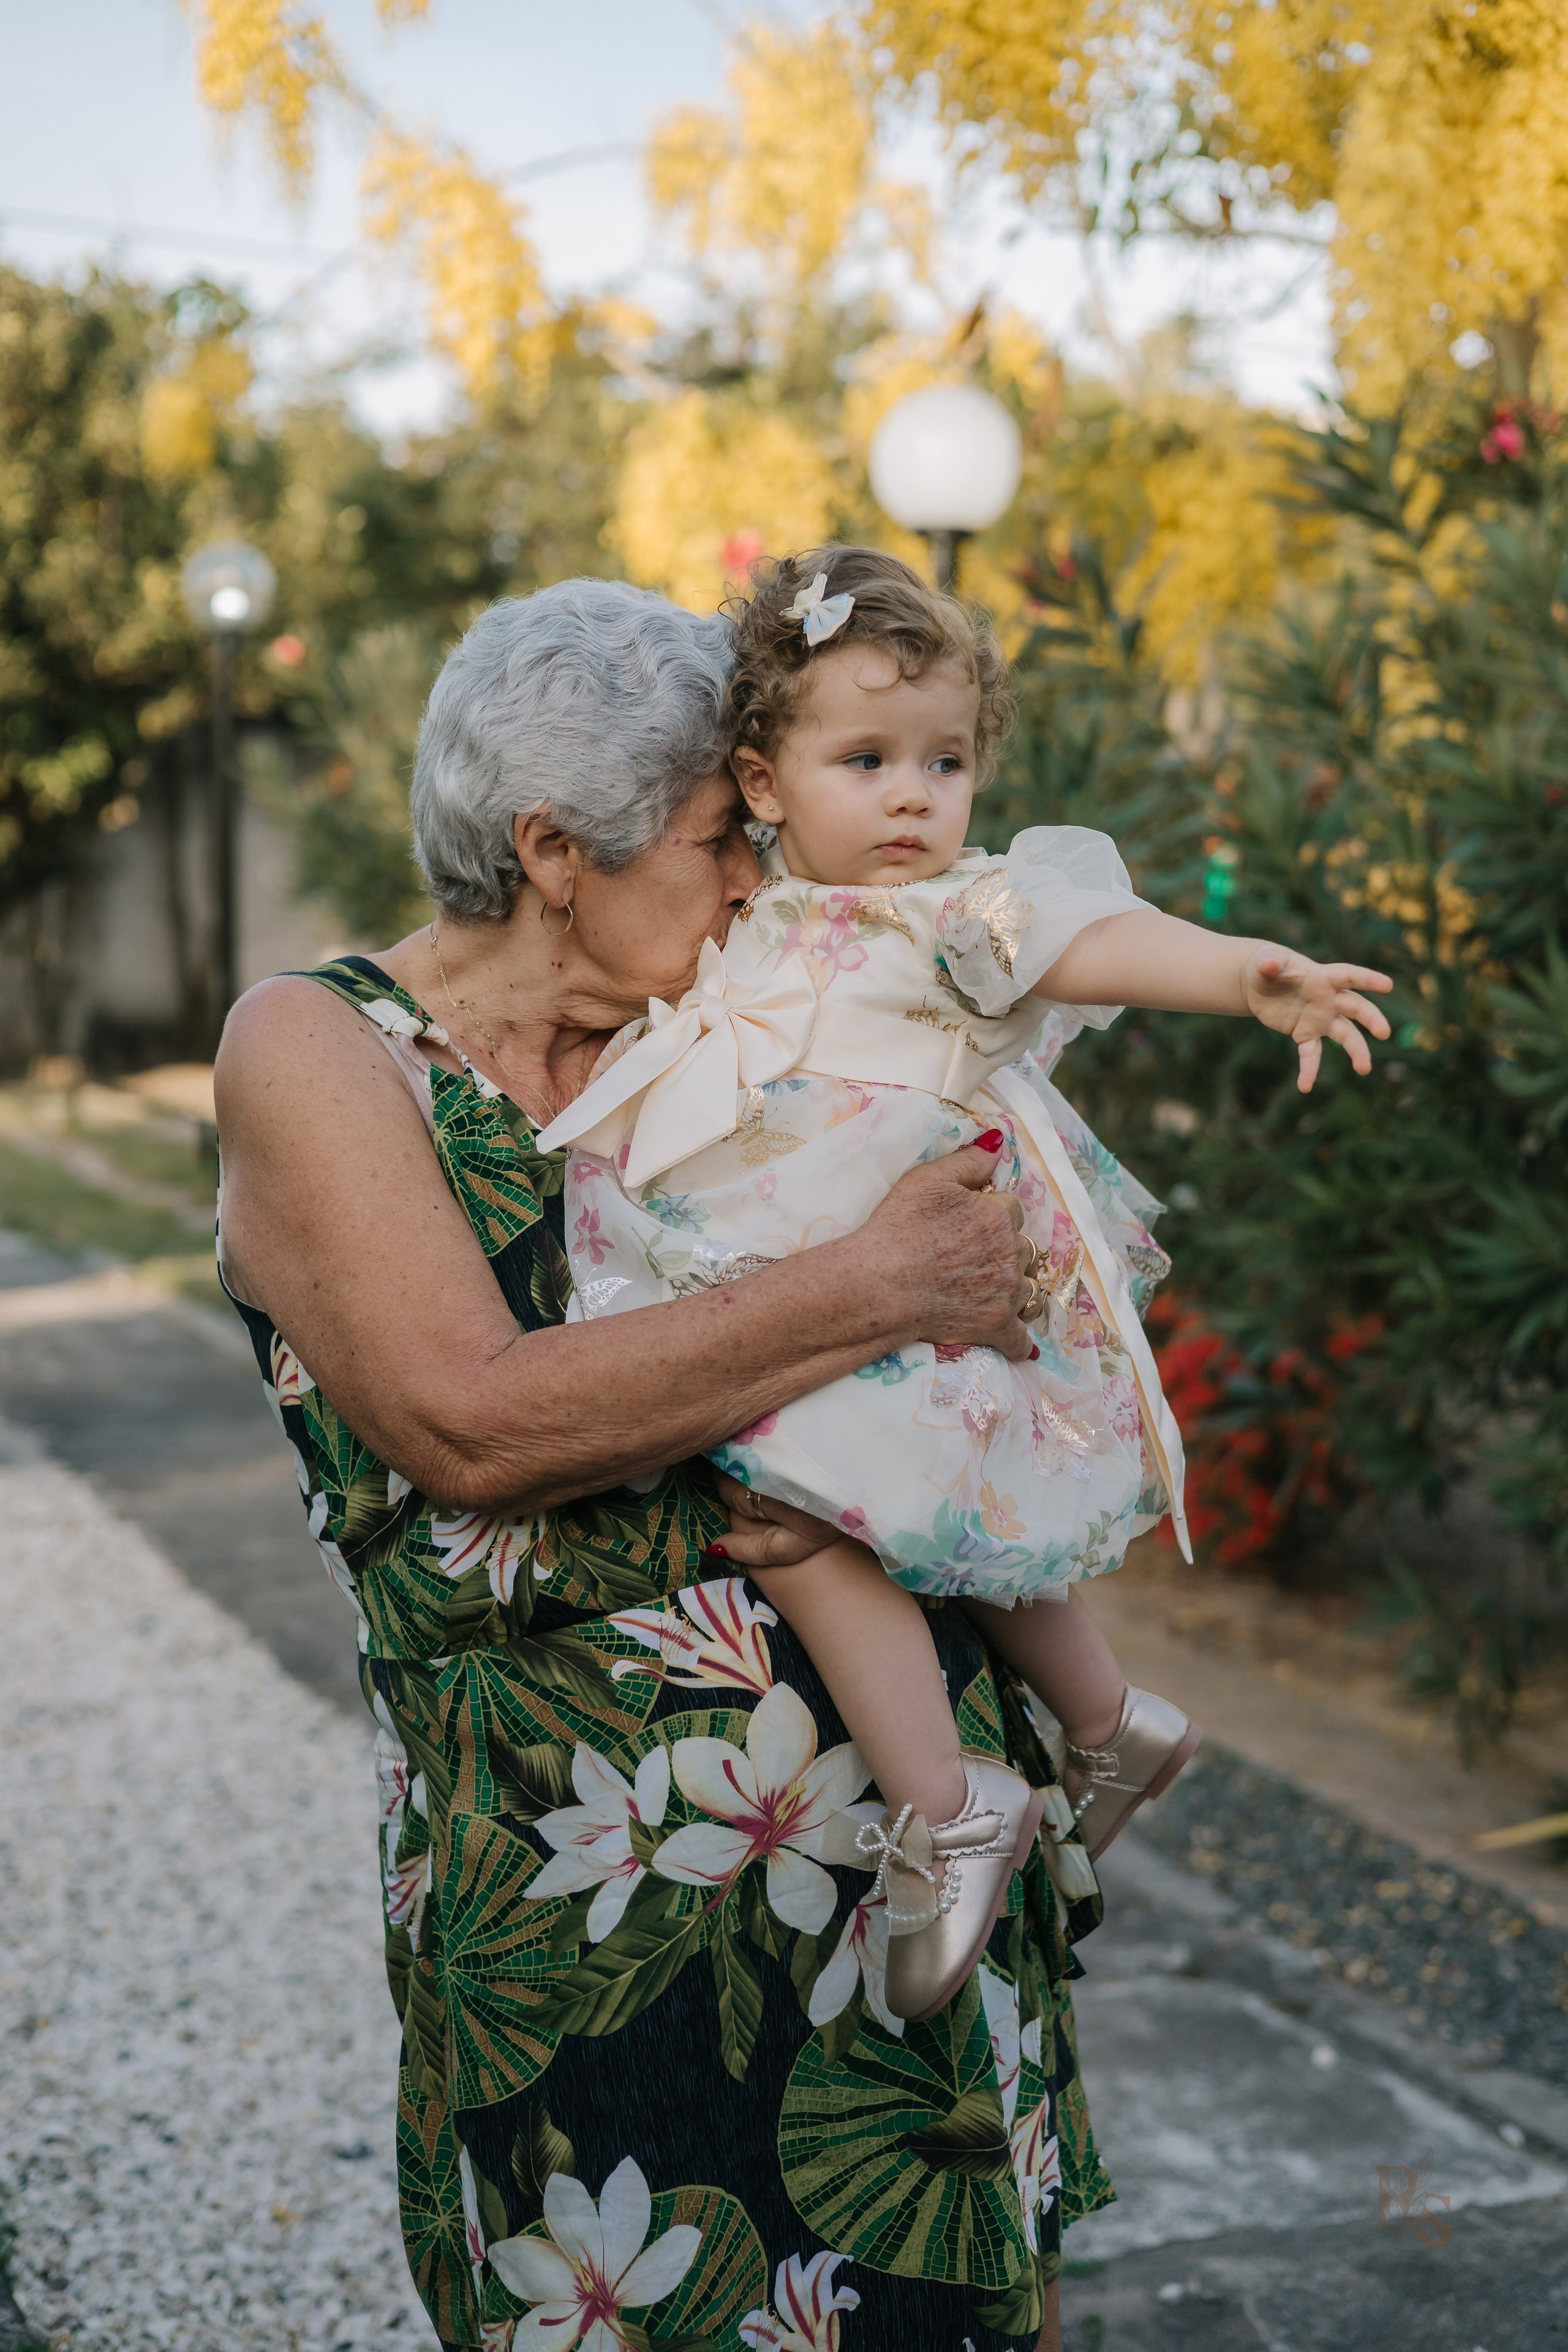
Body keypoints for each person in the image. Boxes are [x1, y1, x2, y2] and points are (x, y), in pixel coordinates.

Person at [214, 576, 1107, 2352]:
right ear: (555, 849)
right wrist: (859, 1288)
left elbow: (997, 1303)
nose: (765, 877)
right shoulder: (323, 1051)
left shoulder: (727, 1023)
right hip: (593, 1910)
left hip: (915, 1857)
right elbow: (472, 1420)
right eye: (722, 838)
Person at [541, 545, 1394, 2026]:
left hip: (901, 1272)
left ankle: (949, 1810)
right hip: (813, 1266)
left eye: (944, 762)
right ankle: (1106, 1717)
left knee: (794, 1512)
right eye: (864, 759)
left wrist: (1236, 970)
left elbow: (1085, 935)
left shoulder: (953, 915)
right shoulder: (744, 916)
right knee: (951, 1523)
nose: (913, 797)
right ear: (758, 777)